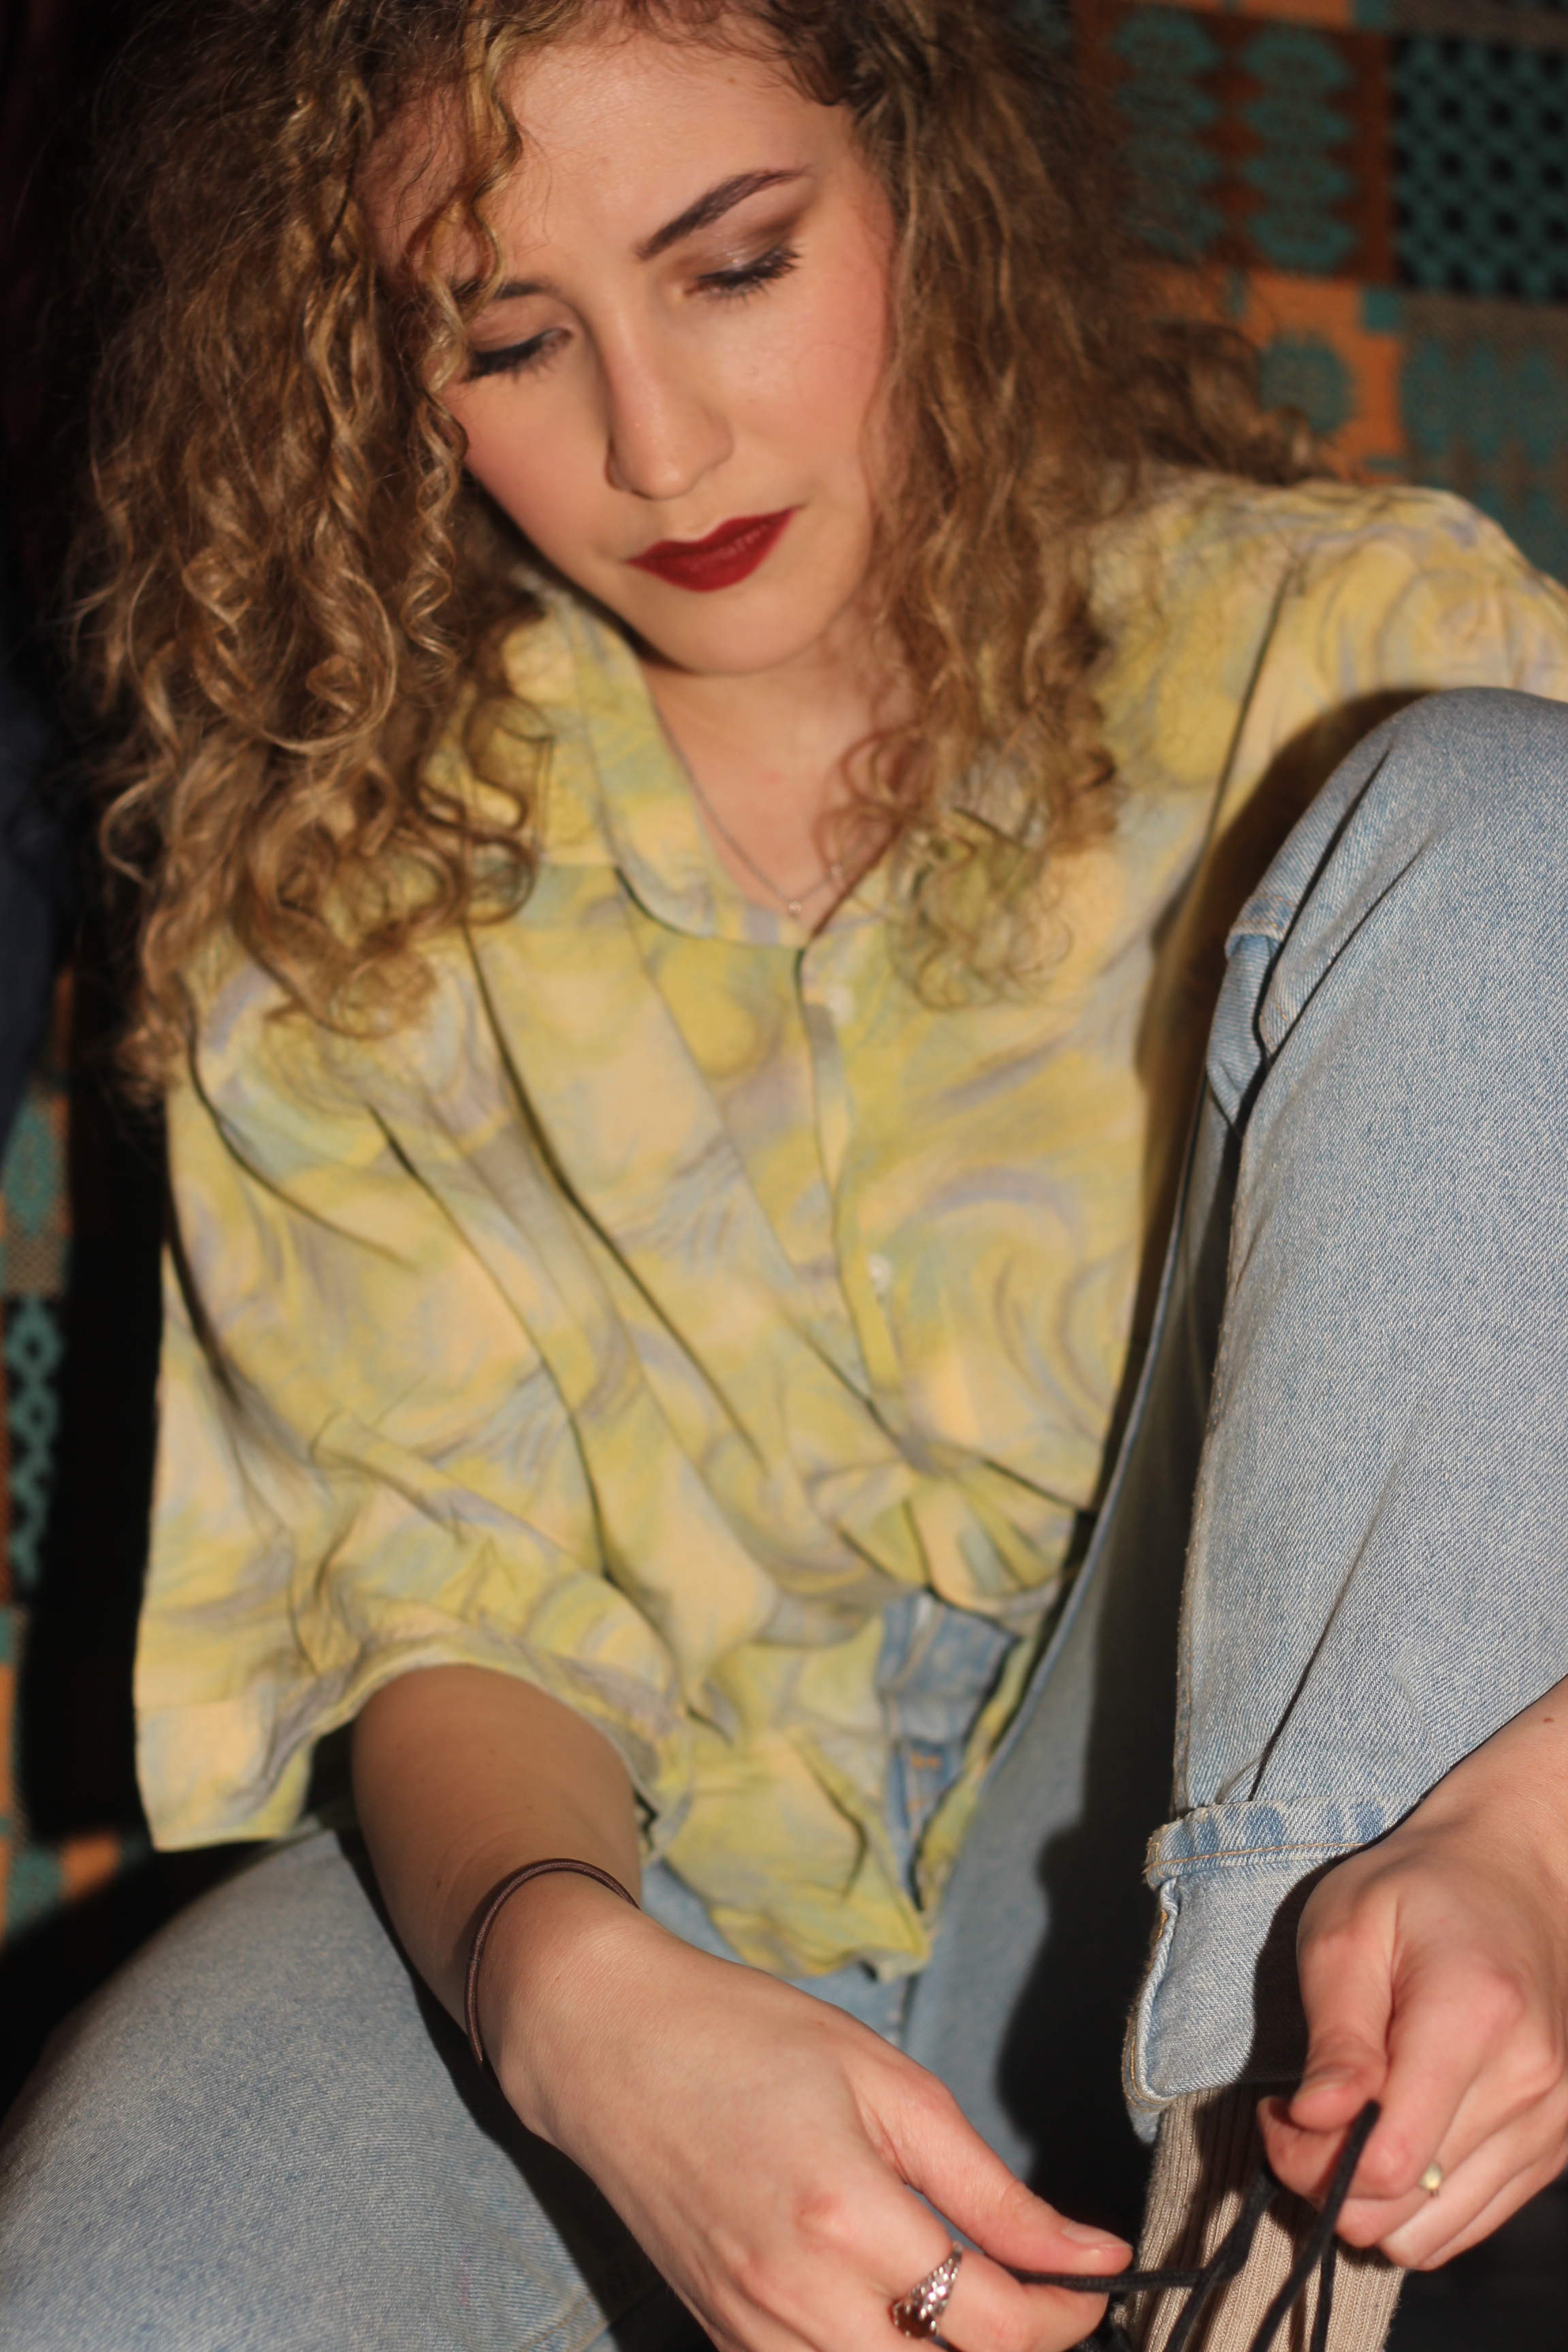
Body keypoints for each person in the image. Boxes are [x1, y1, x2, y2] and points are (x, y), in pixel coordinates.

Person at [3, 3, 1567, 2349]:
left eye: (733, 266)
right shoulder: (338, 876)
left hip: (1289, 1869)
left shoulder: (1342, 645)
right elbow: (448, 1615)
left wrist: (1532, 1841)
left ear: (923, 168)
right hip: (654, 1873)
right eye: (510, 341)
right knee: (133, 2288)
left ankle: (1277, 2285)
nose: (658, 445)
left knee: (1501, 817)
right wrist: (572, 2001)